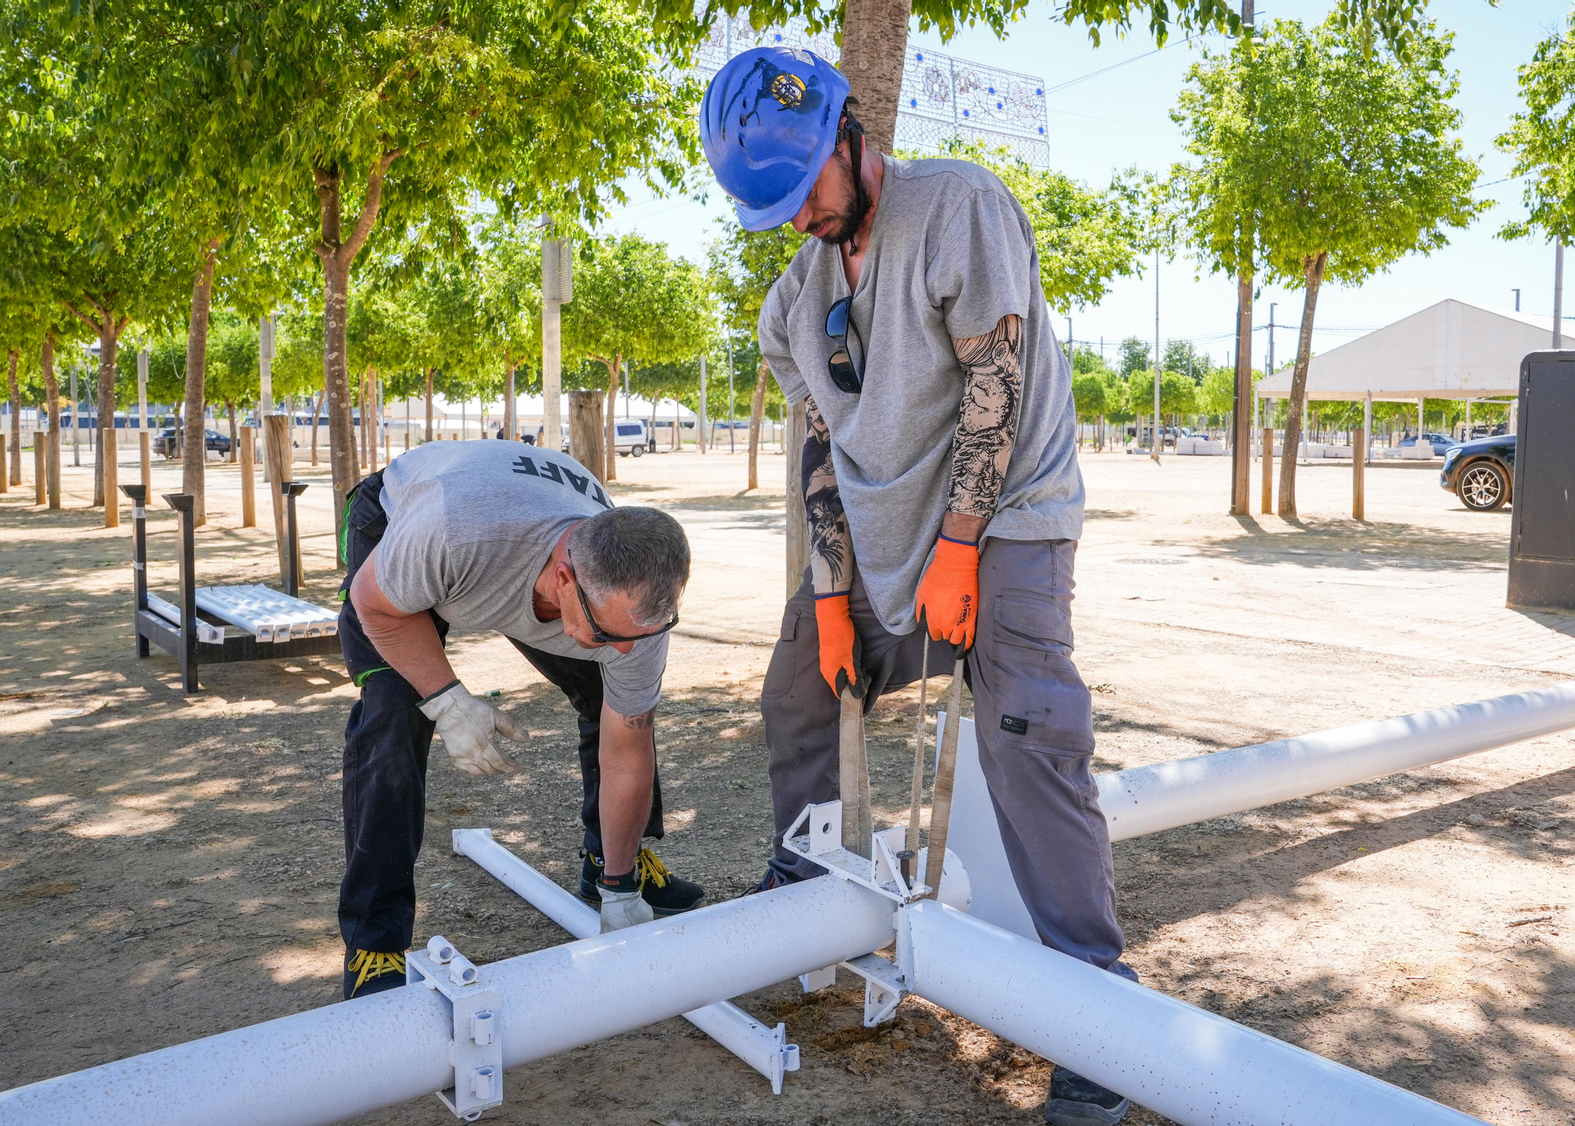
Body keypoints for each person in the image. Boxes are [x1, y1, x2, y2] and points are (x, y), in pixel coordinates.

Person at [701, 47, 1136, 1126]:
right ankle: (810, 894)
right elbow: (819, 450)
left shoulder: (956, 207)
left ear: (848, 136)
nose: (801, 219)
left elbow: (998, 382)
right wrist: (828, 599)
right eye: (777, 210)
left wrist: (958, 548)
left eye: (805, 192)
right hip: (887, 543)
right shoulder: (791, 305)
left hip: (1008, 520)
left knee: (1027, 736)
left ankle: (1099, 1009)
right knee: (798, 688)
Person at [333, 439, 704, 1000]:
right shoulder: (454, 536)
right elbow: (375, 605)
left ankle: (611, 861)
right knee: (394, 713)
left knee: (607, 694)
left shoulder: (634, 617)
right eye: (608, 633)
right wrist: (447, 700)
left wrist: (621, 887)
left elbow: (627, 752)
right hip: (403, 519)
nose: (626, 651)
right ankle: (374, 943)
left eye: (638, 636)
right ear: (564, 582)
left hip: (515, 538)